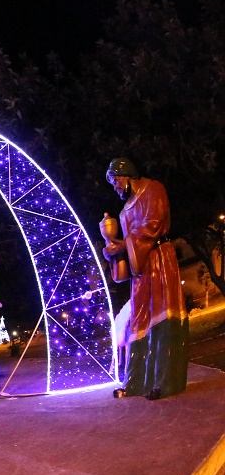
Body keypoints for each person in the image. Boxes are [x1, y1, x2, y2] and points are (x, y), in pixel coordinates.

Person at [102, 158, 188, 400]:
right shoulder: (122, 212)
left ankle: (165, 381)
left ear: (127, 174)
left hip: (159, 259)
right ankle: (134, 381)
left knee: (163, 314)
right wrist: (113, 250)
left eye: (116, 180)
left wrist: (123, 245)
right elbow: (129, 244)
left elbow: (152, 225)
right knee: (138, 321)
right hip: (141, 270)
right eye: (112, 183)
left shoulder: (153, 189)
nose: (115, 186)